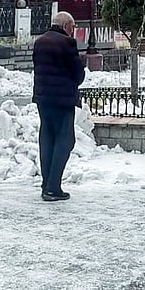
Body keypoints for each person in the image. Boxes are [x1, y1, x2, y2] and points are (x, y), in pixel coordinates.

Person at [33, 11, 86, 202]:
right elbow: (78, 74)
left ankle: (46, 184)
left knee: (47, 140)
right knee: (65, 141)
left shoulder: (40, 41)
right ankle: (53, 187)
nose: (73, 31)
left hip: (43, 99)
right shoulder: (67, 43)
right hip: (62, 100)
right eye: (72, 27)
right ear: (66, 26)